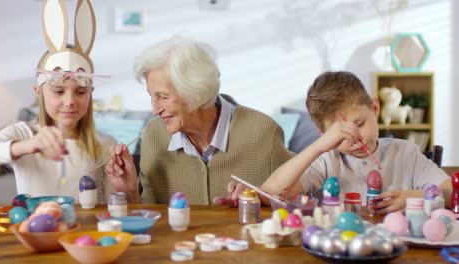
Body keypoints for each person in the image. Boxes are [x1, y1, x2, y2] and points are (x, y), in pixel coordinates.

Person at [105, 36, 294, 204]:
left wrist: (257, 201)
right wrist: (129, 191)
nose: (155, 110)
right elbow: (152, 221)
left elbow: (291, 207)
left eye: (163, 97)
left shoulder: (263, 133)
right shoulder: (154, 135)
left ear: (196, 92)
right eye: (151, 96)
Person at [261, 71, 451, 214]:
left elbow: (452, 192)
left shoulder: (406, 155)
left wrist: (413, 198)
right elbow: (270, 195)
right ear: (324, 135)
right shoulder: (325, 161)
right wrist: (318, 146)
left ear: (375, 109)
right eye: (339, 135)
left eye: (359, 124)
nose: (355, 138)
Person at [0, 0, 115, 201]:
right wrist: (27, 146)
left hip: (84, 232)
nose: (70, 101)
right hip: (35, 232)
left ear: (91, 93)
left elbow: (113, 207)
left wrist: (126, 189)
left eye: (81, 92)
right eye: (58, 91)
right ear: (38, 92)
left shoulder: (105, 144)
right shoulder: (23, 133)